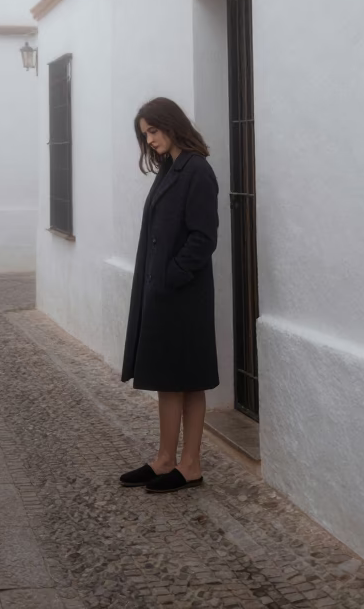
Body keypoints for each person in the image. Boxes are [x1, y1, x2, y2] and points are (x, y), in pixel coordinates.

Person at [119, 97, 219, 493]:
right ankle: (165, 459)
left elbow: (203, 237)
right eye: (146, 134)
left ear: (171, 125)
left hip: (184, 294)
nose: (151, 139)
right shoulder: (169, 169)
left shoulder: (197, 171)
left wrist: (171, 276)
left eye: (154, 131)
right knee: (169, 378)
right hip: (164, 291)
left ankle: (189, 464)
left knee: (188, 379)